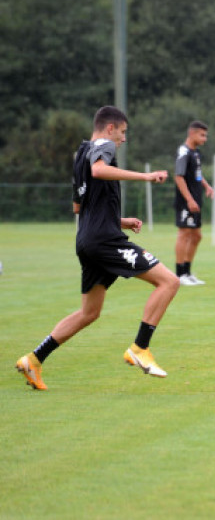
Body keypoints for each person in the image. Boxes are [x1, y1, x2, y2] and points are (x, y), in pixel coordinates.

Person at [15, 106, 179, 390]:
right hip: (104, 241)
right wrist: (147, 177)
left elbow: (79, 207)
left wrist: (120, 221)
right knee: (169, 281)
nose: (123, 139)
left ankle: (34, 359)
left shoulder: (80, 154)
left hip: (88, 239)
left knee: (89, 312)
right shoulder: (104, 145)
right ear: (110, 128)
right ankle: (140, 347)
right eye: (123, 133)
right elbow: (100, 170)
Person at [174, 120, 215, 286]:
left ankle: (188, 272)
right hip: (186, 202)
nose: (205, 138)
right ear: (192, 134)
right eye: (202, 135)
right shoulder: (183, 152)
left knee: (196, 236)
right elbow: (178, 176)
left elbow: (197, 174)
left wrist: (206, 186)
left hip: (196, 201)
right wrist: (189, 199)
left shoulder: (195, 153)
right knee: (184, 234)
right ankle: (179, 275)